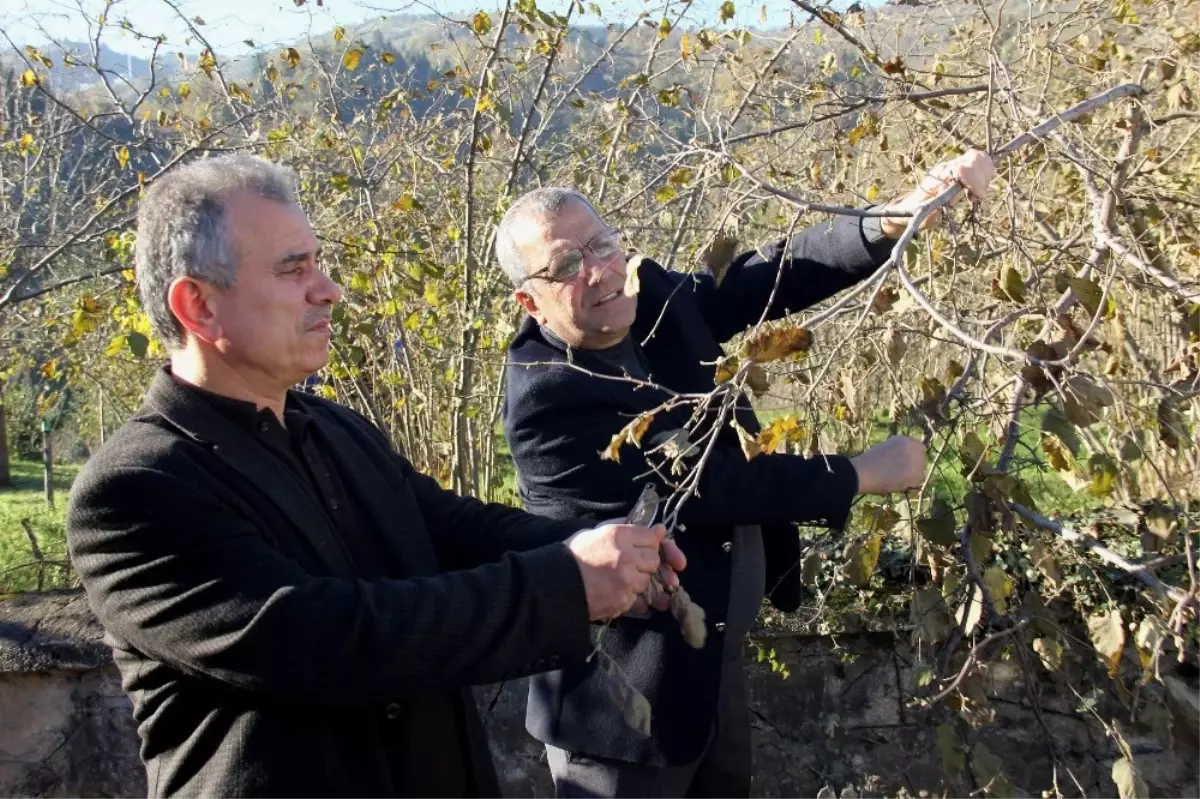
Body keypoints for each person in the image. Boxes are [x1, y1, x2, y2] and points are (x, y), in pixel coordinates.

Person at [65, 153, 685, 799]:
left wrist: (602, 547)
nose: (328, 288)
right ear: (199, 305)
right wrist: (565, 584)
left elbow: (449, 527)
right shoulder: (137, 488)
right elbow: (326, 639)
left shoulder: (335, 427)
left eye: (317, 262)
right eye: (293, 268)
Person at [497, 150, 995, 798]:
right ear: (529, 299)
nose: (598, 270)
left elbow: (757, 280)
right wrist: (857, 473)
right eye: (566, 264)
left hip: (710, 673)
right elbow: (711, 485)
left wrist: (887, 222)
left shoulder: (651, 305)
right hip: (621, 710)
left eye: (602, 244)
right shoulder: (547, 395)